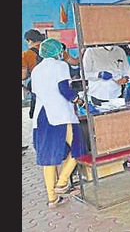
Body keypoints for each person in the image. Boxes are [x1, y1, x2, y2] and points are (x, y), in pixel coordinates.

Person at [30, 38, 88, 208]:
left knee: (48, 158)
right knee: (78, 148)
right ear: (57, 52)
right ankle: (62, 182)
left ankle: (52, 198)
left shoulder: (36, 70)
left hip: (41, 116)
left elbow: (35, 94)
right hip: (60, 115)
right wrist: (78, 100)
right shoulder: (61, 66)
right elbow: (64, 89)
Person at [22, 29, 46, 153]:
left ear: (29, 40)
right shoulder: (49, 48)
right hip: (54, 86)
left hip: (38, 88)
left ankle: (41, 143)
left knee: (38, 115)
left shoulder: (26, 54)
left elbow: (23, 76)